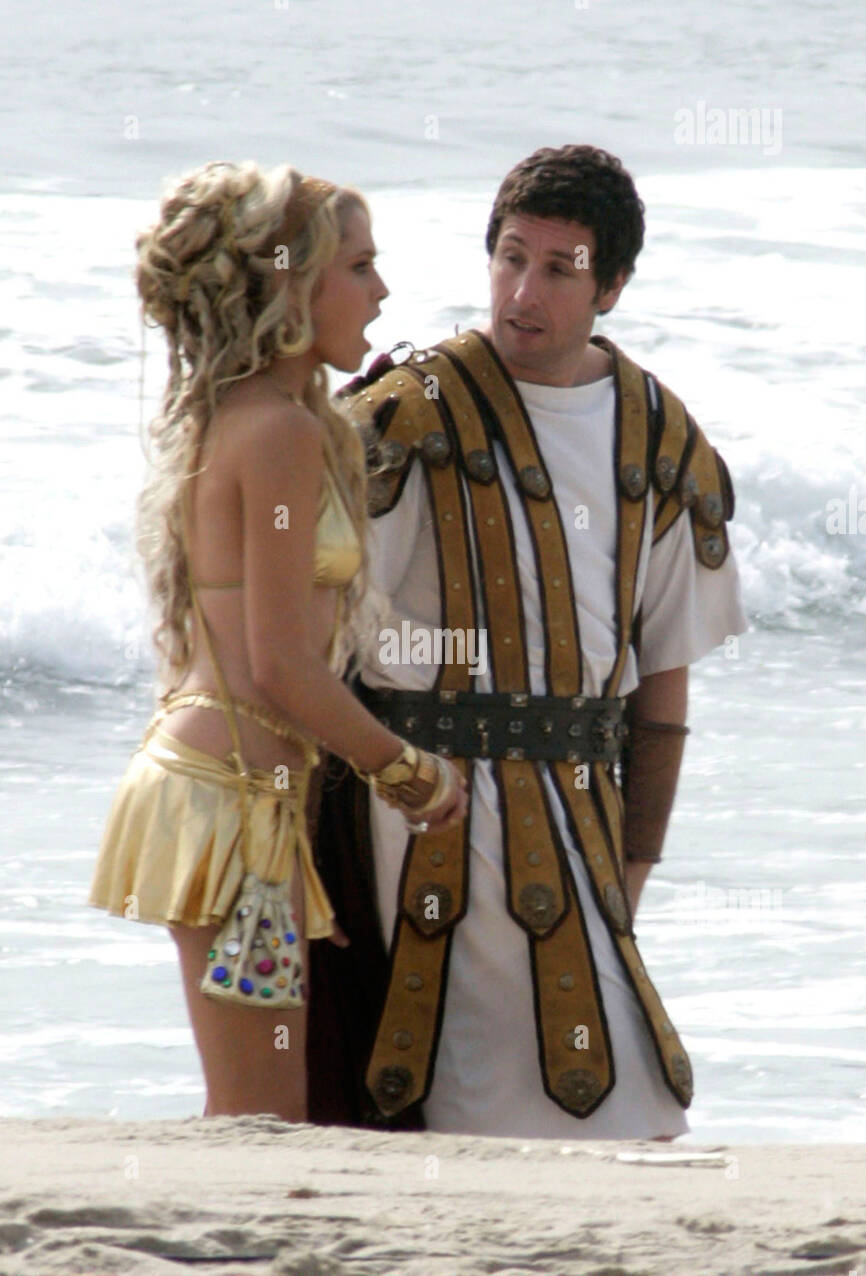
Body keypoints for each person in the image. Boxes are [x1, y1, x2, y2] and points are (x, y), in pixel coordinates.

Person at [307, 144, 749, 1140]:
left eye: (559, 268)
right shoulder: (401, 418)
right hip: (424, 810)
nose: (522, 292)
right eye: (511, 257)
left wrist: (635, 865)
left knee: (625, 1102)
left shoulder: (658, 436)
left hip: (582, 819)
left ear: (612, 286)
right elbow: (309, 646)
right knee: (463, 1094)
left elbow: (661, 686)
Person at [89, 159, 467, 1124]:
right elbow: (281, 663)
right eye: (360, 266)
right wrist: (408, 773)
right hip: (229, 803)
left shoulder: (259, 420)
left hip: (227, 792)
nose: (382, 291)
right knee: (258, 1119)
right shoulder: (280, 436)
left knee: (256, 1112)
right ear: (292, 289)